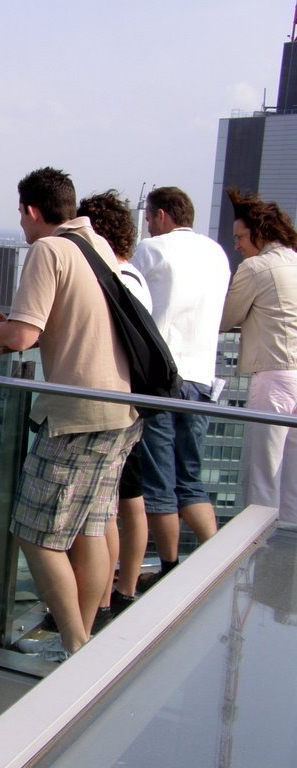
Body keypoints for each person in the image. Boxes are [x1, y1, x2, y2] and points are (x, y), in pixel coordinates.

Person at [0, 168, 141, 659]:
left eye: (20, 215)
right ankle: (83, 640)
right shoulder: (97, 247)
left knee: (36, 534)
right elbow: (49, 326)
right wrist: (14, 325)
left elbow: (23, 338)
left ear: (31, 210)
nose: (21, 226)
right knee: (89, 526)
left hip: (75, 415)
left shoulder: (48, 250)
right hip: (121, 410)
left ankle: (75, 642)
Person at [131, 186, 230, 589]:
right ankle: (219, 558)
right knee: (190, 477)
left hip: (162, 377)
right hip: (202, 377)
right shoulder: (217, 254)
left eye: (151, 218)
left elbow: (129, 302)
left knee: (158, 482)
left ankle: (169, 570)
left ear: (162, 216)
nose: (150, 227)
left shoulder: (153, 251)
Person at [76, 191, 151, 625]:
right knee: (114, 507)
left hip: (106, 409)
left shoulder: (109, 279)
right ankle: (106, 602)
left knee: (98, 514)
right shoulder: (136, 278)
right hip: (131, 409)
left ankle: (92, 610)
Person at [220, 187, 297, 522]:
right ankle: (285, 569)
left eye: (240, 237)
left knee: (261, 479)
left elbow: (226, 318)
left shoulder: (256, 268)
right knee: (292, 483)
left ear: (259, 232)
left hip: (272, 377)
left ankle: (255, 566)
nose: (237, 246)